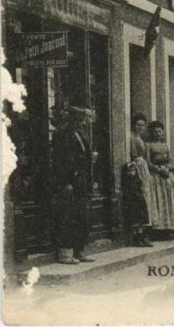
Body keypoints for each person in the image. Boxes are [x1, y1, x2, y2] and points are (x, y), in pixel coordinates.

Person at [51, 107, 96, 264]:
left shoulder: (81, 135)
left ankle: (79, 251)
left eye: (85, 119)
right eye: (82, 119)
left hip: (81, 183)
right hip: (70, 183)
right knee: (67, 216)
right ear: (74, 120)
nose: (85, 122)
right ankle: (65, 253)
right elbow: (60, 161)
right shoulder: (64, 135)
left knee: (81, 217)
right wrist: (66, 181)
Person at [146, 120, 174, 236]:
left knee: (167, 200)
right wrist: (159, 170)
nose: (157, 134)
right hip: (156, 176)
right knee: (158, 199)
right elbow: (147, 162)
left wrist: (168, 168)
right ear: (151, 132)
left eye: (159, 131)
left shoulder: (165, 145)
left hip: (166, 175)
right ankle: (158, 229)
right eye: (155, 132)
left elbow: (170, 160)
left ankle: (169, 228)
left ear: (162, 132)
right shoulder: (148, 145)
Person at [129, 113, 155, 243]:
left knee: (146, 198)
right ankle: (138, 235)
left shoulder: (138, 137)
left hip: (143, 167)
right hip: (137, 166)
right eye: (138, 125)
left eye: (142, 125)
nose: (140, 127)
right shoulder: (131, 137)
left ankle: (143, 233)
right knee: (141, 198)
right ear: (133, 125)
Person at [121, 161, 152, 247]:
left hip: (139, 201)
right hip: (132, 203)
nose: (132, 173)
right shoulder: (127, 182)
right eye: (129, 171)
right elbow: (126, 193)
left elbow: (139, 188)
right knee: (135, 221)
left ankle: (142, 237)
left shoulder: (137, 180)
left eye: (133, 170)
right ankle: (136, 239)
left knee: (141, 221)